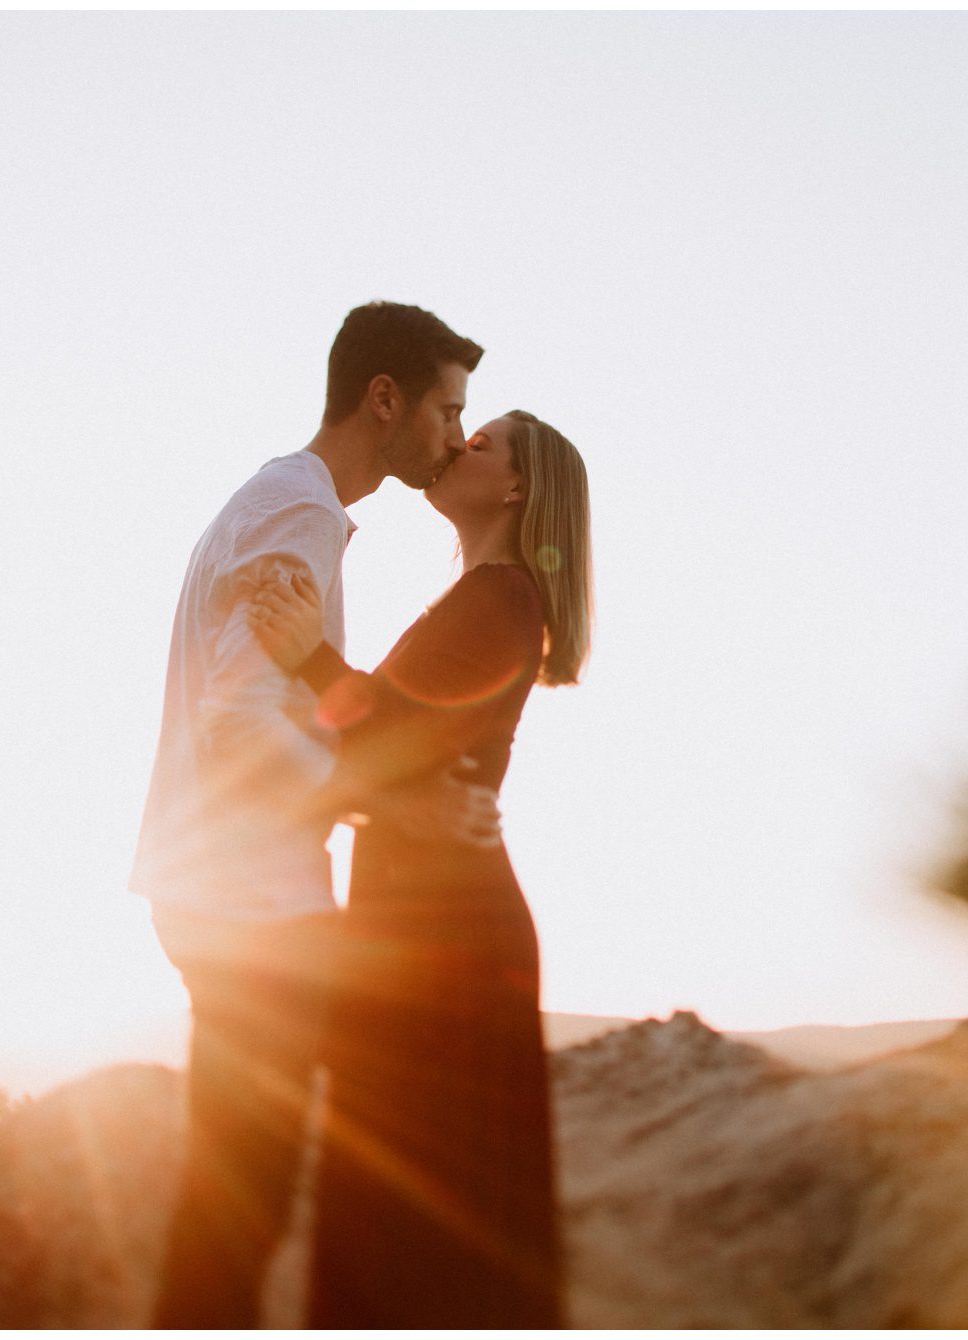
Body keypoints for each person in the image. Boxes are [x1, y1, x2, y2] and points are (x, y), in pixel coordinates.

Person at [129, 301, 498, 1329]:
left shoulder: (283, 500)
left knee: (233, 1199)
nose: (456, 436)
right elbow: (242, 714)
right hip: (251, 903)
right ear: (385, 400)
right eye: (445, 409)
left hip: (225, 890)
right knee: (250, 1203)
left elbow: (267, 701)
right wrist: (370, 802)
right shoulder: (296, 511)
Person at [246, 408, 592, 1328]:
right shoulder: (479, 597)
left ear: (516, 488)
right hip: (421, 925)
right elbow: (399, 745)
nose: (459, 444)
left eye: (483, 443)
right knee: (399, 1218)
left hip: (454, 944)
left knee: (424, 1224)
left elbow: (394, 736)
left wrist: (308, 659)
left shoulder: (505, 599)